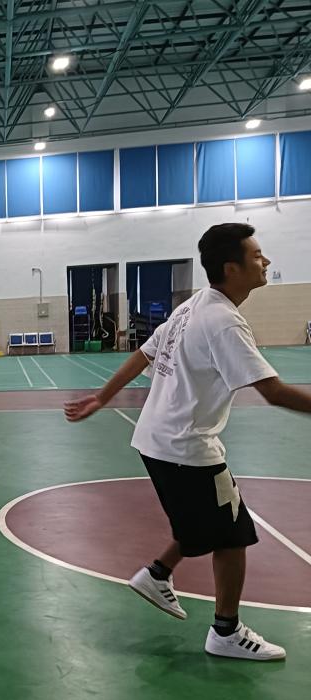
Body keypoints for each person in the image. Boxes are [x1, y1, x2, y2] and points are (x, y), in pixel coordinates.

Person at [65, 223, 311, 661]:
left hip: (157, 440)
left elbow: (144, 353)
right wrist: (101, 397)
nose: (266, 262)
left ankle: (158, 573)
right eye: (257, 256)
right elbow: (273, 392)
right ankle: (226, 632)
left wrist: (102, 397)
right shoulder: (223, 322)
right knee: (233, 536)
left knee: (205, 517)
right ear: (231, 268)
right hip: (186, 447)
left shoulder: (193, 306)